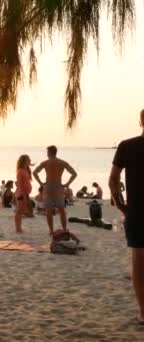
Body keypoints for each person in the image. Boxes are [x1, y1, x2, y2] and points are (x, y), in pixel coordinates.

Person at [109, 109, 144, 324]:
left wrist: (122, 207)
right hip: (136, 212)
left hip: (137, 211)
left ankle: (143, 312)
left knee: (139, 261)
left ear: (140, 121)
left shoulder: (127, 146)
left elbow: (113, 180)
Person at [32, 145, 78, 235]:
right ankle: (64, 229)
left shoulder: (45, 163)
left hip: (48, 186)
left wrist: (41, 183)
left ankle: (51, 230)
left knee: (49, 210)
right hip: (58, 187)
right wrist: (67, 183)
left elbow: (35, 172)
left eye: (47, 152)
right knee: (61, 210)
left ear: (49, 153)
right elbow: (74, 174)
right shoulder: (62, 162)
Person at [15, 155, 33, 233]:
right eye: (28, 159)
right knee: (19, 211)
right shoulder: (20, 171)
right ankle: (18, 228)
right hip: (21, 193)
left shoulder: (26, 170)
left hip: (25, 193)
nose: (30, 160)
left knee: (22, 211)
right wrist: (23, 195)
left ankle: (19, 227)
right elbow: (19, 183)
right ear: (24, 161)